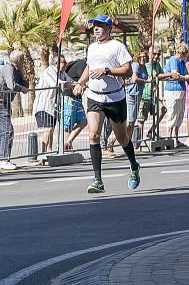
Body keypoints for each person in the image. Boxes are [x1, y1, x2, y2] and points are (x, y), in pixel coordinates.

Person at [72, 15, 141, 193]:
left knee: (121, 138)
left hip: (115, 98)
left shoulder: (118, 46)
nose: (96, 28)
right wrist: (80, 83)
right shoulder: (92, 47)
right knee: (93, 135)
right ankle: (97, 180)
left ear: (109, 28)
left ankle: (134, 166)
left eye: (100, 26)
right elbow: (89, 67)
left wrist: (108, 71)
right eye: (95, 25)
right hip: (95, 97)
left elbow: (128, 70)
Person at [0, 50, 29, 170]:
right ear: (18, 60)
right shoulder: (9, 68)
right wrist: (21, 88)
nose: (24, 62)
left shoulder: (16, 70)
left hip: (5, 102)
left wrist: (22, 73)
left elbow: (25, 84)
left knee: (3, 130)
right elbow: (12, 85)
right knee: (7, 130)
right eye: (23, 60)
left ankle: (0, 158)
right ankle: (3, 158)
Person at [32, 54, 70, 154]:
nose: (66, 64)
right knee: (47, 129)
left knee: (51, 129)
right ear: (56, 64)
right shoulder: (48, 71)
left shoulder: (62, 73)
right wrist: (66, 83)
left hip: (53, 106)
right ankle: (44, 152)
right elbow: (55, 84)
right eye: (63, 62)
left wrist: (78, 84)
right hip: (44, 106)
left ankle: (49, 150)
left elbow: (69, 81)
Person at [159, 44, 188, 146]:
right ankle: (169, 138)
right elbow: (175, 75)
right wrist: (185, 77)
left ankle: (176, 138)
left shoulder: (182, 62)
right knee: (172, 113)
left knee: (180, 114)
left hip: (181, 90)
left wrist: (185, 77)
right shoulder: (174, 60)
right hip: (172, 90)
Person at [138, 50, 165, 140]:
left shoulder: (157, 65)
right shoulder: (145, 64)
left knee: (162, 109)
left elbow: (161, 74)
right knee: (141, 120)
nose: (156, 56)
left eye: (158, 54)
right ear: (150, 54)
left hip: (153, 95)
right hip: (144, 94)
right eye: (155, 53)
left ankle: (151, 131)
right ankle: (139, 142)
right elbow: (153, 76)